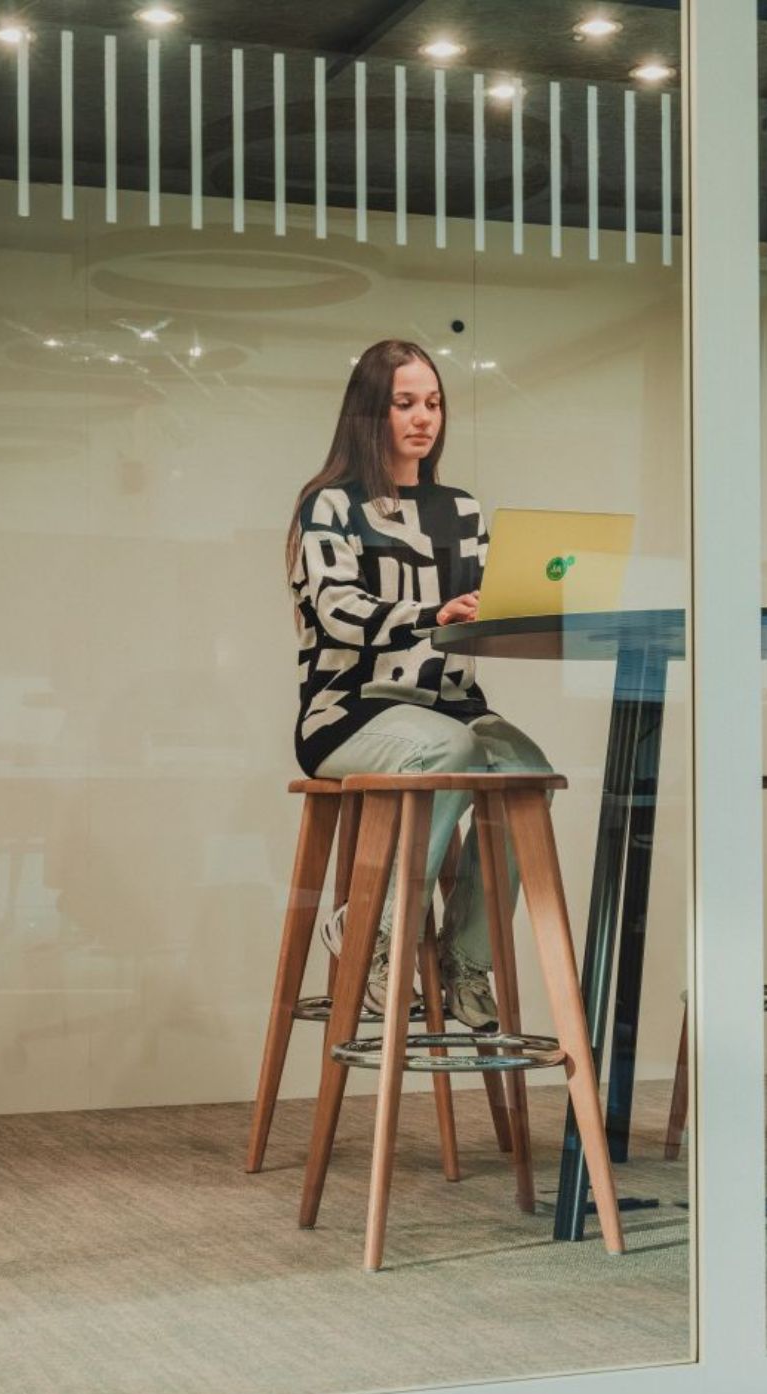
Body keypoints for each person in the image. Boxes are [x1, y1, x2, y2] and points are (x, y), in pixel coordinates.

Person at [286, 338, 551, 1027]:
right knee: (450, 753)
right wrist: (431, 613)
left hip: (452, 709)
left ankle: (466, 962)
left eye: (432, 403)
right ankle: (374, 933)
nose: (423, 417)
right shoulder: (330, 506)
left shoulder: (459, 508)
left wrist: (526, 606)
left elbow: (485, 603)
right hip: (348, 715)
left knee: (527, 769)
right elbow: (336, 611)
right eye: (404, 403)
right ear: (370, 412)